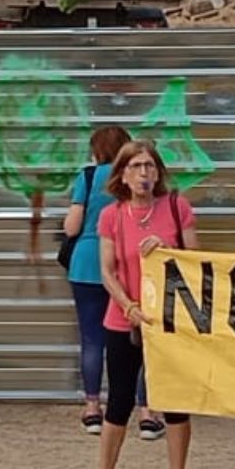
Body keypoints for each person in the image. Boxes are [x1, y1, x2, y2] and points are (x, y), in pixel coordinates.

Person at [80, 141, 201, 469]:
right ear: (122, 175)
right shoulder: (112, 216)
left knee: (175, 402)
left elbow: (197, 263)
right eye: (135, 166)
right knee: (119, 401)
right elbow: (107, 270)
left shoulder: (177, 208)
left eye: (150, 165)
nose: (144, 173)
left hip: (169, 321)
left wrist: (166, 249)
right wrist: (128, 306)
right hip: (124, 319)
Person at [61, 125, 169, 439]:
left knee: (92, 339)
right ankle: (147, 412)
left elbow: (71, 228)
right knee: (143, 337)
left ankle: (93, 409)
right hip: (132, 265)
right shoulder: (138, 178)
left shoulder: (88, 176)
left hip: (87, 266)